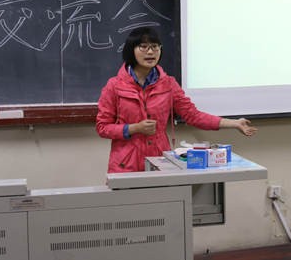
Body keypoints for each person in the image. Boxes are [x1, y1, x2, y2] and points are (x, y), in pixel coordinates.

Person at [96, 27, 257, 173]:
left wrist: (233, 123)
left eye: (155, 47)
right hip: (125, 165)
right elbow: (102, 127)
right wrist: (134, 128)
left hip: (159, 162)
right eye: (143, 47)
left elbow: (193, 115)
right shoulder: (114, 86)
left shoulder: (169, 84)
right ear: (131, 50)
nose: (150, 52)